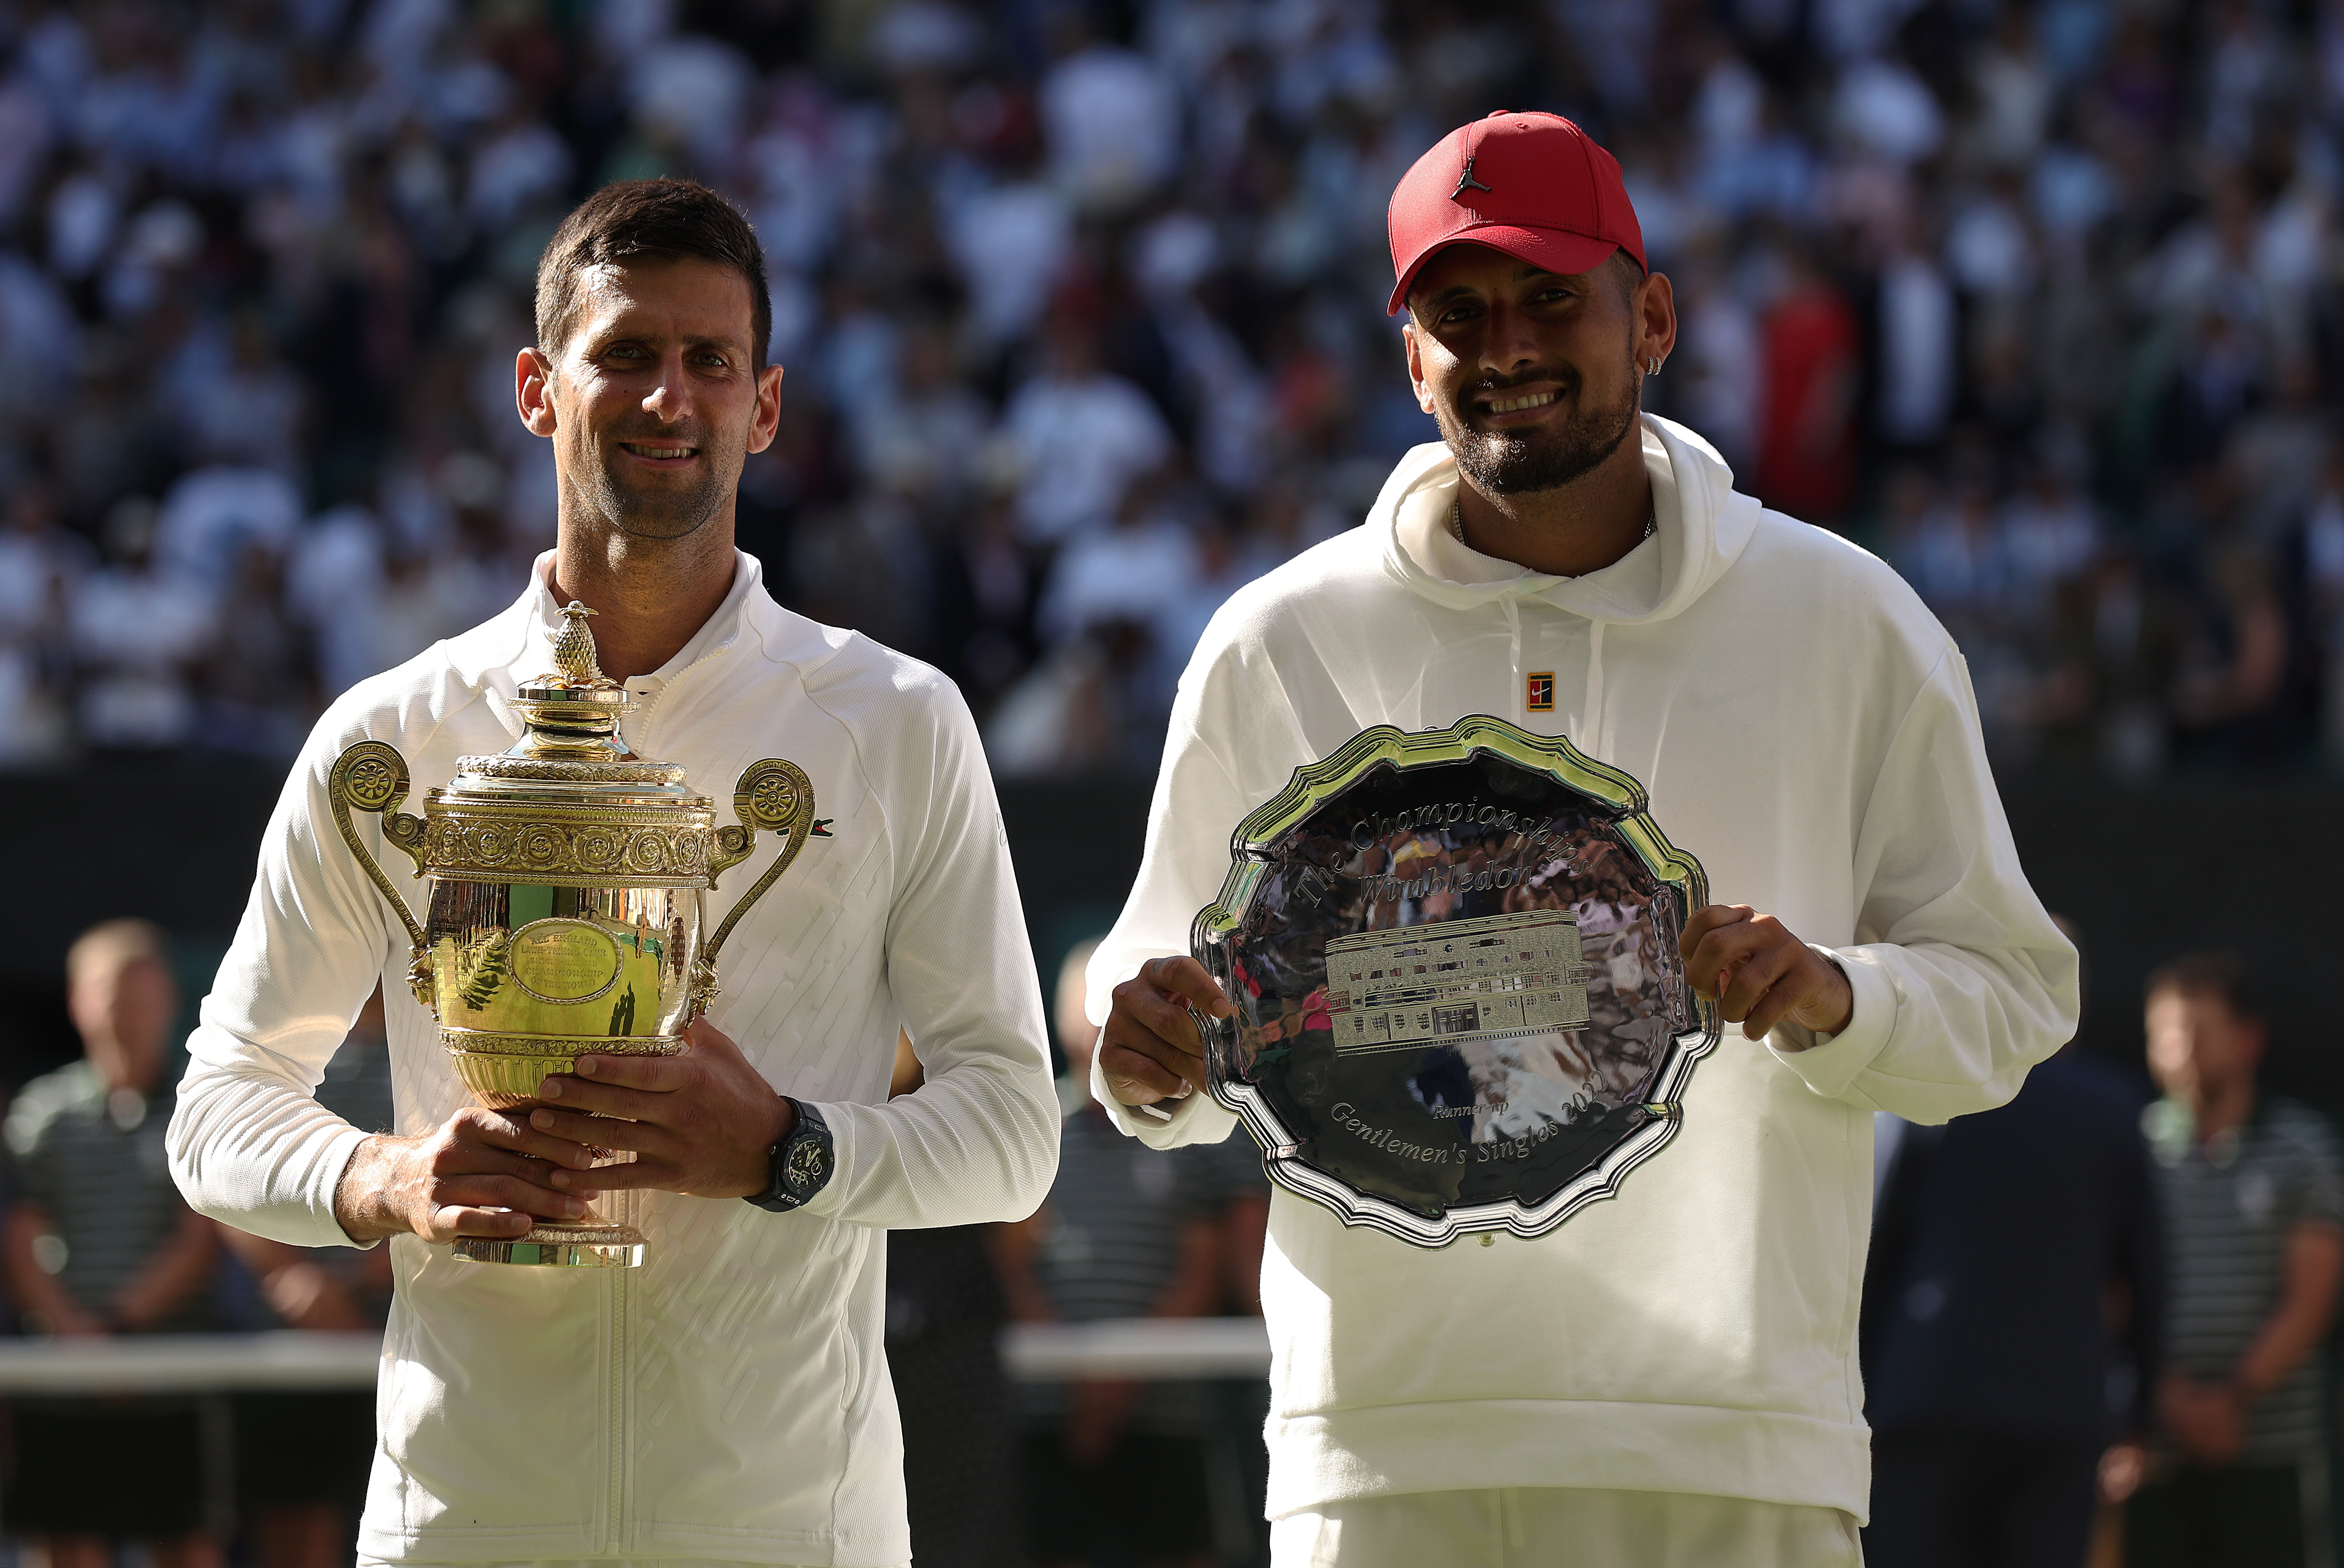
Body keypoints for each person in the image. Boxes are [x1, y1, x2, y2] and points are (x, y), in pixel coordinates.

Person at [1084, 112, 2078, 1566]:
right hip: (1384, 1451)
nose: (1507, 345)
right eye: (1458, 309)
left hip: (1738, 1451)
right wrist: (1143, 1048)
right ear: (1406, 351)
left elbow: (2011, 997)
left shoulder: (1847, 620)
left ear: (1653, 316)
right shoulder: (1276, 642)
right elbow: (1156, 992)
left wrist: (1836, 998)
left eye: (1554, 297)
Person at [166, 179, 1060, 1567]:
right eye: (627, 354)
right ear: (538, 389)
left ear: (765, 409)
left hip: (789, 1530)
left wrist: (784, 1150)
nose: (669, 399)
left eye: (711, 363)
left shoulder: (896, 720)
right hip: (462, 1519)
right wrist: (385, 1179)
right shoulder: (389, 735)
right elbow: (217, 1106)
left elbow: (1012, 1130)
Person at [1861, 922, 2166, 1568]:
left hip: (1928, 1396)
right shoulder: (2114, 1110)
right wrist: (2141, 1409)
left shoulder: (1924, 1098)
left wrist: (1854, 1393)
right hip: (2059, 1408)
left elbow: (1875, 1250)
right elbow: (2148, 1271)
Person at [3, 918, 221, 1568]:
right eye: (109, 990)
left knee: (183, 1542)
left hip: (169, 1375)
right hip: (64, 1379)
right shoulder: (41, 1113)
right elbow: (21, 1234)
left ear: (169, 999)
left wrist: (119, 1329)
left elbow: (201, 1237)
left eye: (142, 991)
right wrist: (75, 1334)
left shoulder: (198, 1103)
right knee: (64, 1543)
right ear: (77, 999)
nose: (125, 1007)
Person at [2123, 953, 2343, 1567]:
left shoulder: (2303, 1150)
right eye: (2163, 1033)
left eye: (2196, 1031)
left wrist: (2231, 1398)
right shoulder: (2129, 1150)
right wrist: (2168, 1400)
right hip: (2155, 1452)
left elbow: (2310, 1301)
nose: (2179, 1048)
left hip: (2271, 1447)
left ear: (2247, 1039)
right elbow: (2108, 1289)